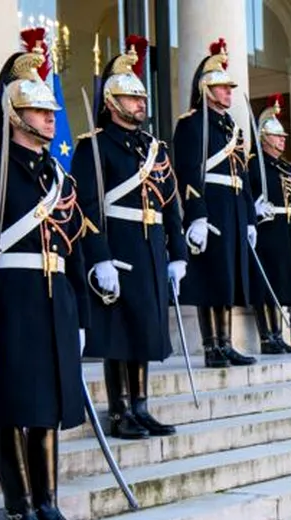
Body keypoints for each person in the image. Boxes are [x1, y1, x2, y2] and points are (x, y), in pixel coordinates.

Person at [0, 29, 94, 520]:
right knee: (14, 406)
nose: (49, 117)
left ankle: (49, 504)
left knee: (48, 407)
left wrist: (81, 318)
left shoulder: (58, 175)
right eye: (38, 110)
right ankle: (20, 511)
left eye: (51, 109)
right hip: (10, 299)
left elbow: (72, 244)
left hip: (55, 299)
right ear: (14, 113)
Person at [72, 35, 187, 439]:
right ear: (113, 103)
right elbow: (85, 206)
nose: (141, 104)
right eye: (133, 98)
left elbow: (170, 202)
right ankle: (119, 410)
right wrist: (99, 256)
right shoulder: (94, 147)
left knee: (145, 329)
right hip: (118, 246)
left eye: (142, 98)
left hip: (152, 245)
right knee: (119, 331)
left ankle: (141, 406)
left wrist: (178, 252)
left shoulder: (155, 148)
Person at [173, 38, 261, 368]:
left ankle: (226, 342)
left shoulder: (231, 129)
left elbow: (243, 175)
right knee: (210, 277)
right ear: (207, 89)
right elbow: (187, 172)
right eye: (222, 88)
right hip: (210, 208)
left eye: (229, 88)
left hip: (234, 207)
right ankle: (211, 345)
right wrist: (196, 214)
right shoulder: (191, 124)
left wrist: (250, 218)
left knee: (228, 278)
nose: (228, 93)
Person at [248, 94, 291, 354]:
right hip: (266, 230)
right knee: (266, 285)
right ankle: (267, 335)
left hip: (286, 230)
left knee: (282, 285)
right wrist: (253, 211)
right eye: (277, 136)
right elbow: (245, 196)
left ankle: (279, 334)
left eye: (283, 137)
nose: (282, 140)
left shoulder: (288, 169)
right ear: (264, 138)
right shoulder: (253, 165)